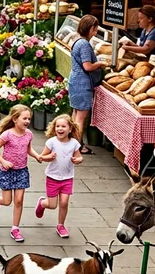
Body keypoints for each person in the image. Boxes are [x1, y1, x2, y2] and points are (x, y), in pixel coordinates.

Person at [0, 104, 43, 243]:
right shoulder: (7, 134)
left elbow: (29, 149)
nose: (27, 121)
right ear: (14, 119)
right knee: (7, 201)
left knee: (19, 201)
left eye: (29, 119)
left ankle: (15, 228)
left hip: (22, 171)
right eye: (24, 118)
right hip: (7, 171)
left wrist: (37, 156)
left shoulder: (29, 134)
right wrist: (3, 161)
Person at [35, 115, 83, 240]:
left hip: (67, 178)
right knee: (52, 205)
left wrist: (77, 160)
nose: (60, 129)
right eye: (57, 126)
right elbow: (41, 157)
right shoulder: (51, 142)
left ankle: (60, 225)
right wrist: (48, 157)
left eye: (63, 126)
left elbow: (80, 157)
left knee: (64, 202)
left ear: (70, 129)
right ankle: (42, 203)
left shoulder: (74, 143)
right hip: (52, 177)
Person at [68, 15, 108, 155]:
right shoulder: (84, 44)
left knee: (75, 115)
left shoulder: (77, 41)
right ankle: (78, 147)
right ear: (89, 28)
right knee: (80, 118)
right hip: (82, 83)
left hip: (75, 81)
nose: (96, 32)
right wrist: (101, 63)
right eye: (95, 29)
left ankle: (71, 143)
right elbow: (88, 66)